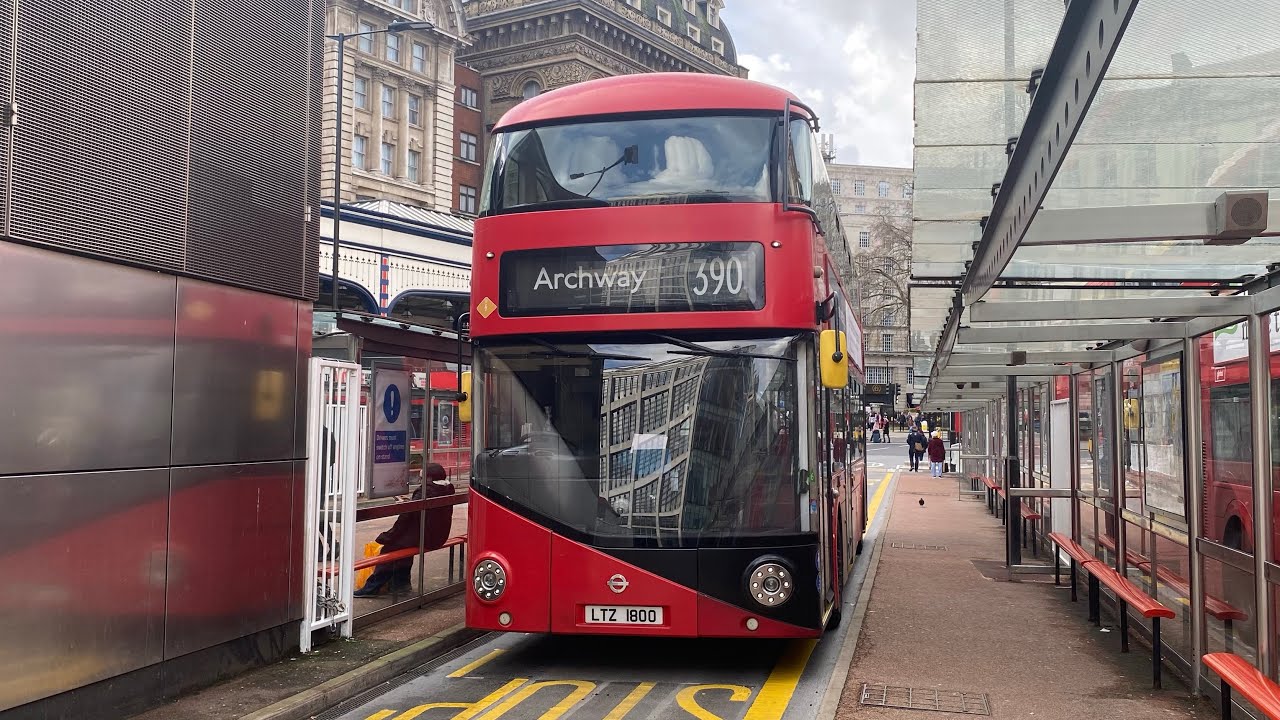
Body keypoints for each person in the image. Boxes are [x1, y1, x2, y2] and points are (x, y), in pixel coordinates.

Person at [355, 463, 454, 597]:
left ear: (428, 478)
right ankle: (401, 584)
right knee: (405, 545)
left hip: (427, 537)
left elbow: (405, 519)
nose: (420, 480)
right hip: (439, 536)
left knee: (390, 549)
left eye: (421, 477)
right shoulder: (447, 488)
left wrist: (388, 536)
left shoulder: (425, 491)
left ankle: (372, 587)